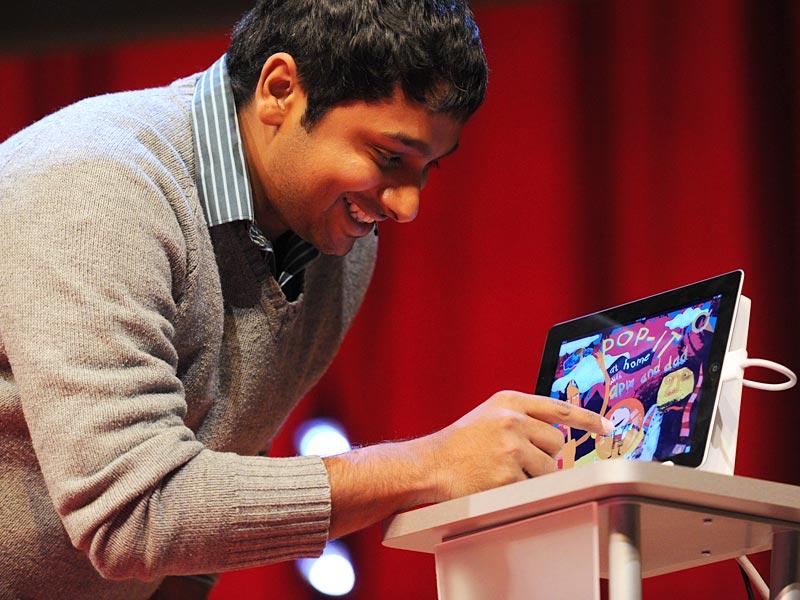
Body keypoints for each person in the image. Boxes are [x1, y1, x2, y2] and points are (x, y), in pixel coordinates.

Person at [0, 1, 611, 598]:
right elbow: (136, 513)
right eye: (389, 157)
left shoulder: (337, 241)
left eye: (427, 169)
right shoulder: (95, 188)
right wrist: (430, 465)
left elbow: (211, 497)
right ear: (279, 90)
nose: (407, 205)